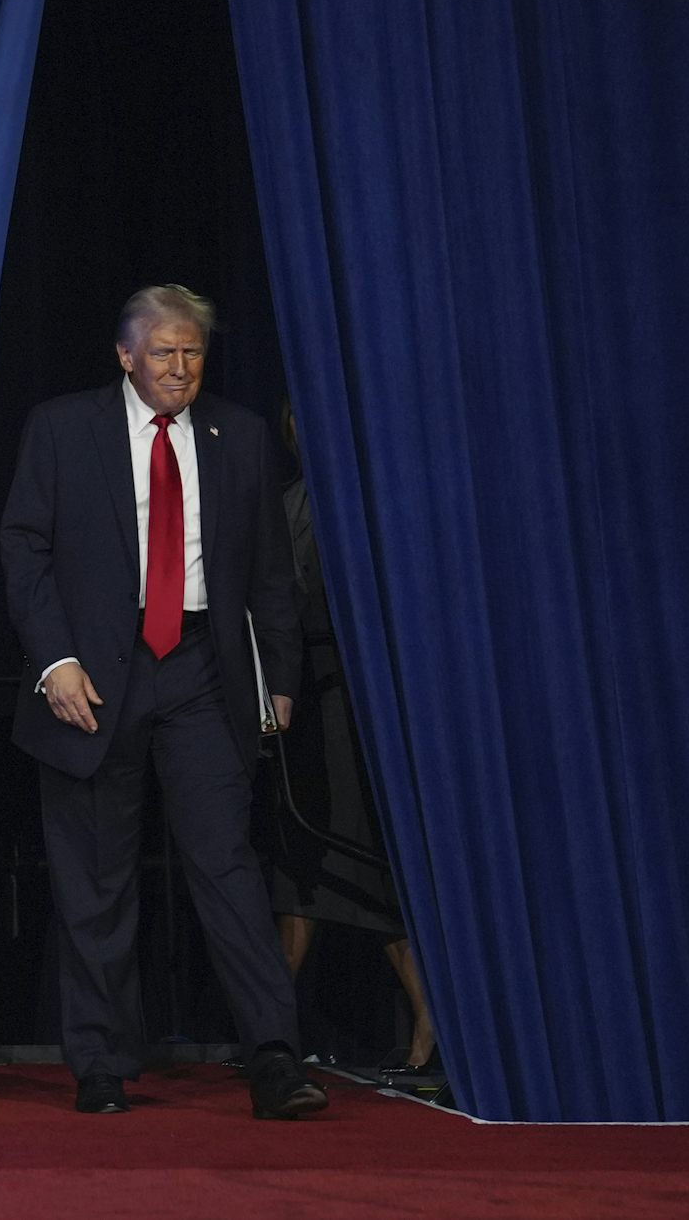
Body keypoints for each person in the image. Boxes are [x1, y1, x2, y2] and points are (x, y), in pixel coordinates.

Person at [0, 285, 325, 1119]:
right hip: (92, 678)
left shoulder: (239, 435)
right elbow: (24, 549)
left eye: (192, 352)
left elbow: (269, 572)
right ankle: (102, 1064)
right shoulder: (62, 428)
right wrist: (55, 662)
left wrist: (279, 679)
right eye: (163, 352)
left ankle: (274, 1056)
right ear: (125, 356)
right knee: (96, 879)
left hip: (202, 671)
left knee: (228, 867)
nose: (179, 368)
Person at [267, 397, 437, 1072]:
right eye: (295, 424)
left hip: (353, 700)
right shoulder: (286, 505)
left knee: (357, 860)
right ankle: (272, 1030)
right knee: (300, 862)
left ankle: (428, 1018)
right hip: (300, 701)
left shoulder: (372, 506)